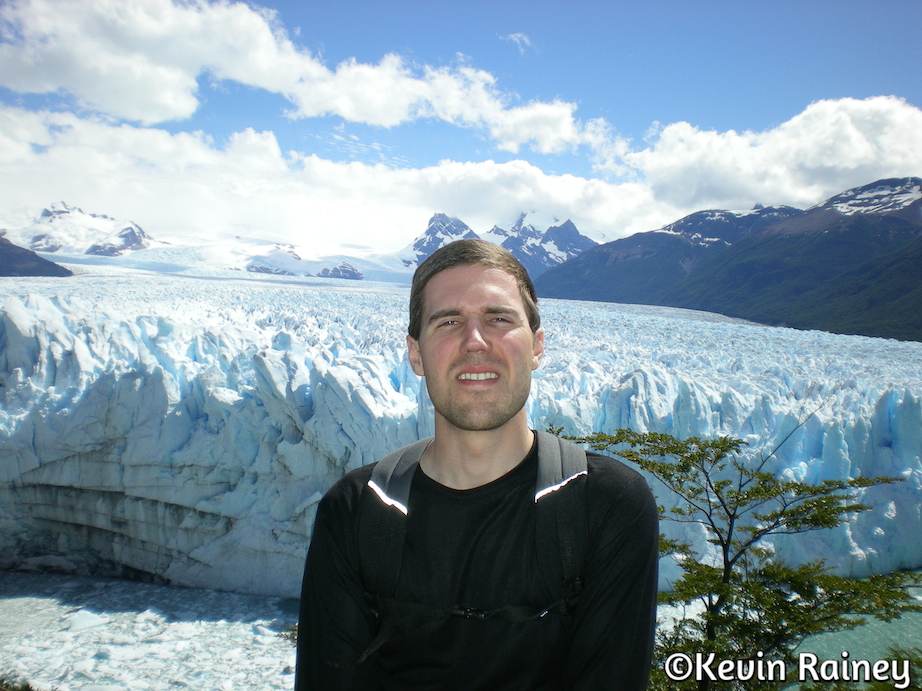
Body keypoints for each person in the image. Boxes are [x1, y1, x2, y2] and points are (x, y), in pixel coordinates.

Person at [296, 239, 659, 690]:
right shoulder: (356, 512)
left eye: (498, 318)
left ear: (537, 347)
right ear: (415, 354)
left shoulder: (605, 506)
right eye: (448, 321)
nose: (474, 342)